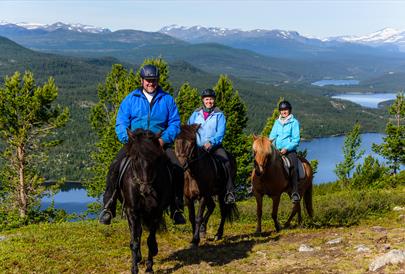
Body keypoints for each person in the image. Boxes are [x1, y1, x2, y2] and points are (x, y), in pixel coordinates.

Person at [99, 64, 186, 225]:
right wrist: (129, 140)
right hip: (136, 143)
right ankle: (109, 205)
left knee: (177, 168)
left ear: (158, 80)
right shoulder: (131, 99)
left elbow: (175, 123)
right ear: (142, 80)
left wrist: (163, 139)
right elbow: (121, 123)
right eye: (147, 80)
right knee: (115, 166)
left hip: (158, 143)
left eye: (153, 80)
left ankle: (176, 207)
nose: (150, 83)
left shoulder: (167, 99)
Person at [187, 88, 236, 204]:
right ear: (203, 100)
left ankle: (230, 191)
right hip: (197, 147)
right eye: (207, 99)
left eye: (211, 99)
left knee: (227, 162)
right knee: (183, 162)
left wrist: (211, 142)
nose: (209, 101)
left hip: (214, 147)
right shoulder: (195, 114)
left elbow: (220, 132)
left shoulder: (219, 114)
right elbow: (189, 129)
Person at [269, 100, 301, 203]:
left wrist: (286, 148)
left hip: (289, 151)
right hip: (277, 151)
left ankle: (295, 192)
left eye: (285, 110)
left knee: (294, 166)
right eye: (282, 110)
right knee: (263, 161)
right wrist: (269, 146)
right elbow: (272, 137)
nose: (283, 112)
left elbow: (296, 140)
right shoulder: (276, 122)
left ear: (289, 110)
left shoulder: (294, 122)